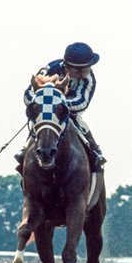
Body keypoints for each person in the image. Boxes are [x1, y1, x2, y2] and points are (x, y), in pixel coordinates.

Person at [16, 42, 107, 172]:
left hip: (70, 111)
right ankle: (25, 150)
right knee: (41, 122)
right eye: (78, 70)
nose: (82, 74)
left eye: (86, 69)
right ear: (66, 66)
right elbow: (29, 94)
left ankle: (95, 151)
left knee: (80, 122)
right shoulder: (49, 69)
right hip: (46, 108)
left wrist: (60, 103)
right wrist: (43, 103)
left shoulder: (89, 79)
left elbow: (82, 102)